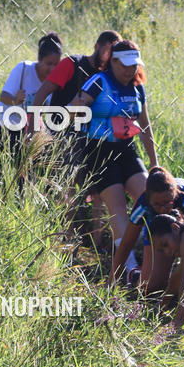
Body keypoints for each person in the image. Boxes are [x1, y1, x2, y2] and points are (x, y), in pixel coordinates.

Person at [73, 40, 157, 277]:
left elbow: (145, 127)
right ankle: (130, 269)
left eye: (134, 65)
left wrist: (154, 162)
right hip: (99, 152)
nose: (130, 70)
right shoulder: (99, 81)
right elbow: (71, 111)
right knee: (117, 208)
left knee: (150, 199)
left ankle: (155, 258)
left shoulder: (137, 88)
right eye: (125, 65)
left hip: (127, 150)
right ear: (113, 61)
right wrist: (76, 107)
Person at [30, 30, 121, 249]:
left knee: (97, 189)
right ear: (97, 46)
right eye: (108, 51)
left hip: (93, 136)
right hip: (63, 132)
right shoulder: (72, 64)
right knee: (68, 187)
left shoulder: (111, 75)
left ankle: (97, 243)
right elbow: (42, 93)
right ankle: (67, 239)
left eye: (115, 54)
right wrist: (34, 126)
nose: (110, 57)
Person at [110, 165, 184, 292]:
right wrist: (111, 281)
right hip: (163, 232)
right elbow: (126, 243)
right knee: (149, 287)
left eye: (167, 203)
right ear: (149, 199)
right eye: (157, 205)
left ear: (174, 194)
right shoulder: (143, 205)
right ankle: (135, 275)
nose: (163, 209)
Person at [0, 32, 64, 154]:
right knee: (17, 155)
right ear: (39, 60)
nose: (52, 69)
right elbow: (3, 96)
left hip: (30, 127)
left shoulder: (56, 81)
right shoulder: (23, 68)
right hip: (6, 124)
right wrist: (15, 100)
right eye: (48, 64)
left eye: (56, 65)